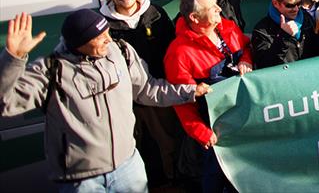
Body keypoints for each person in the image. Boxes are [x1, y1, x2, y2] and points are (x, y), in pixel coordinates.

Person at [1, 10, 207, 190]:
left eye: (107, 32)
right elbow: (6, 103)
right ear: (79, 43)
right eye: (100, 37)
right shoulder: (51, 70)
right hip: (83, 181)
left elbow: (147, 89)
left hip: (129, 167)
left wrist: (189, 92)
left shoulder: (120, 51)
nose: (108, 39)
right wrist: (13, 59)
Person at [164, 0, 252, 192]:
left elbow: (246, 47)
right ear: (194, 17)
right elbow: (181, 100)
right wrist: (201, 132)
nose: (219, 9)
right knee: (217, 178)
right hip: (215, 129)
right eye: (212, 8)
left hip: (244, 119)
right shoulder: (179, 53)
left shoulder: (228, 27)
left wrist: (246, 60)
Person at [100, 0, 181, 186]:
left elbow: (173, 49)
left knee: (168, 140)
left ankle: (172, 182)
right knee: (133, 145)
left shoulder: (155, 14)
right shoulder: (102, 23)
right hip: (123, 98)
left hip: (157, 91)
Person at [251, 0, 315, 68]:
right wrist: (284, 37)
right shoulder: (262, 31)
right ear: (275, 3)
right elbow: (264, 65)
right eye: (290, 5)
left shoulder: (307, 19)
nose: (296, 9)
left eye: (298, 3)